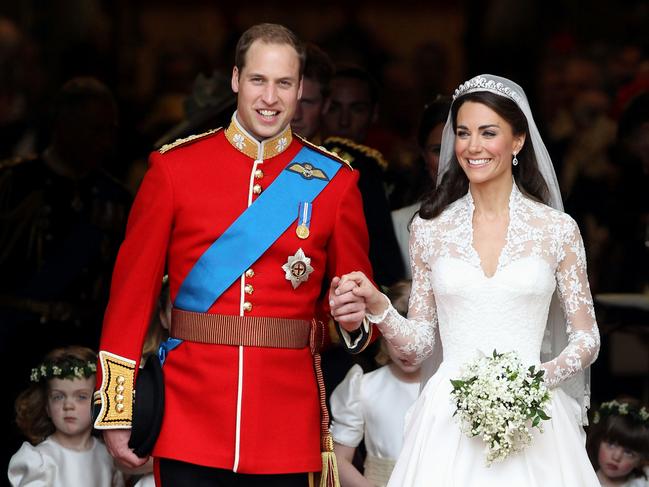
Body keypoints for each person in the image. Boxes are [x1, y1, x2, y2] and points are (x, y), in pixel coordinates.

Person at [93, 23, 373, 487]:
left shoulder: (335, 183)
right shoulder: (173, 170)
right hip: (188, 417)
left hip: (286, 422)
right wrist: (118, 409)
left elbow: (358, 313)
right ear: (235, 80)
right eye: (258, 80)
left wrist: (352, 320)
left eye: (284, 83)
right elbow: (130, 297)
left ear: (301, 90)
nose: (270, 97)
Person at [330, 74, 602, 486]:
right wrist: (380, 306)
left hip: (533, 416)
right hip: (447, 419)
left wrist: (531, 382)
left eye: (488, 132)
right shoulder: (430, 228)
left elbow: (587, 339)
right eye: (462, 133)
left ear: (517, 141)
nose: (472, 146)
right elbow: (420, 344)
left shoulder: (557, 229)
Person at [0, 76, 131, 476]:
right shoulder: (13, 185)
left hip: (86, 337)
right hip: (18, 338)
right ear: (63, 124)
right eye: (94, 129)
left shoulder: (115, 197)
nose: (103, 142)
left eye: (109, 131)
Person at [330, 280, 420, 487]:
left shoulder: (445, 387)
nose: (405, 348)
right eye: (395, 336)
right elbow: (339, 459)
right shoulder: (363, 386)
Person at [8, 346, 124, 487]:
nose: (68, 405)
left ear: (98, 402)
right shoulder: (40, 460)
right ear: (47, 406)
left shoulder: (107, 456)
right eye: (58, 397)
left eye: (81, 396)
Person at [391, 96, 451, 278]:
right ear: (424, 156)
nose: (448, 161)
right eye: (438, 151)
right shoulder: (399, 223)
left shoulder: (501, 218)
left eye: (456, 147)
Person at [587, 399, 649, 486]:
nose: (616, 457)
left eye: (628, 453)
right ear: (598, 442)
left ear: (640, 460)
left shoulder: (643, 483)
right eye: (611, 444)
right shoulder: (584, 479)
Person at [290, 43, 334, 143]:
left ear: (326, 105)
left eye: (307, 103)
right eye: (288, 101)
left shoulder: (340, 158)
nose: (296, 116)